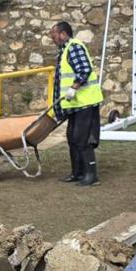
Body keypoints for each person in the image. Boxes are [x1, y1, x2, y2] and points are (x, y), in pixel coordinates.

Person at [50, 21, 103, 186]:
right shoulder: (65, 49)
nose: (53, 38)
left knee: (83, 138)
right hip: (75, 104)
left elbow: (84, 69)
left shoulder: (74, 47)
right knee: (72, 137)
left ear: (63, 34)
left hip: (85, 102)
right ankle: (77, 173)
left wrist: (74, 88)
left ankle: (91, 175)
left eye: (54, 35)